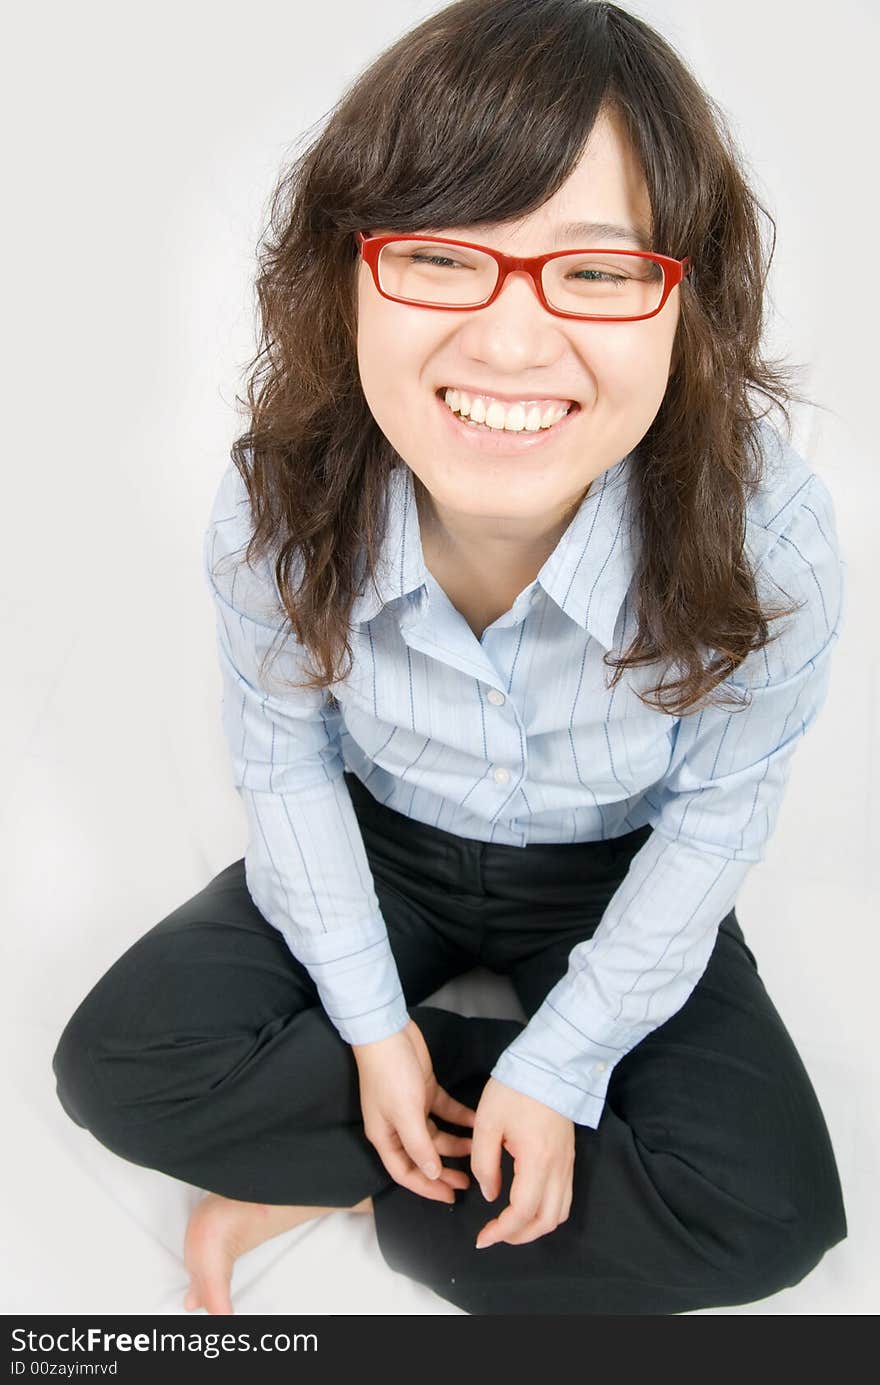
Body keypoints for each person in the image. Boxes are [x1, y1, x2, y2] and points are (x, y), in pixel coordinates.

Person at [51, 0, 848, 1317]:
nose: (513, 341)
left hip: (613, 866)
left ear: (685, 304)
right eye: (439, 255)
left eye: (596, 270)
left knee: (769, 1210)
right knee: (121, 1069)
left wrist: (554, 1068)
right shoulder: (280, 496)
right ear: (349, 270)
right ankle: (433, 1148)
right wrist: (374, 1032)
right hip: (383, 838)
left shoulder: (770, 537)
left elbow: (714, 824)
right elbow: (286, 755)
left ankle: (370, 1181)